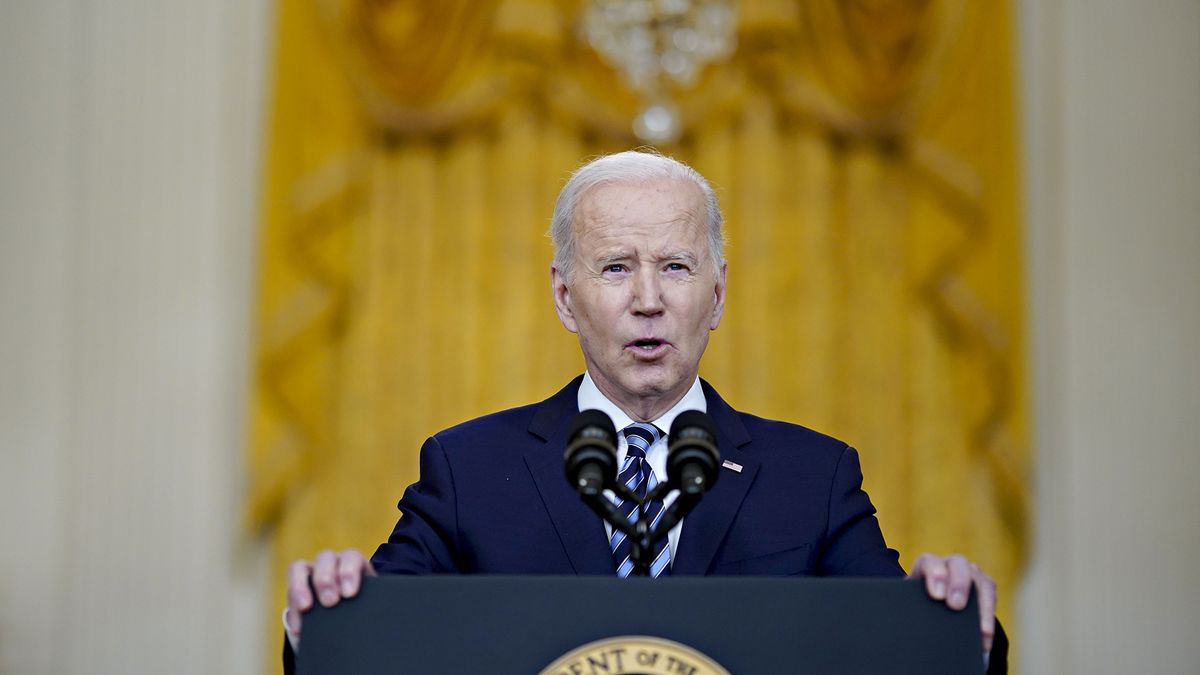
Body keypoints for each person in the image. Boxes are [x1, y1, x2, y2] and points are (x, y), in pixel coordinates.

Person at [283, 150, 1005, 670]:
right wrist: (333, 609)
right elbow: (379, 639)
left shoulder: (812, 477)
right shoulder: (471, 468)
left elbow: (897, 647)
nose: (649, 299)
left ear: (717, 296)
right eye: (617, 266)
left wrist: (955, 622)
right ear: (566, 296)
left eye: (676, 266)